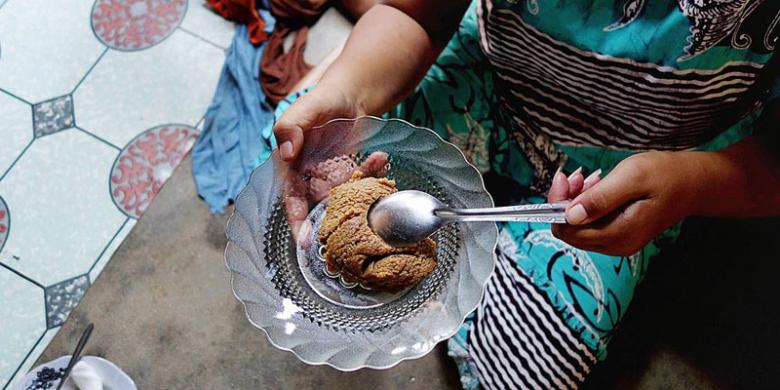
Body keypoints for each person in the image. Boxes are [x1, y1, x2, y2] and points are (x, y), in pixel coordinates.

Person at [268, 0, 780, 388]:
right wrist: (349, 90)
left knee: (530, 365)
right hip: (491, 78)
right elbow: (418, 14)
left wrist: (688, 185)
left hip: (639, 165)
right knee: (294, 166)